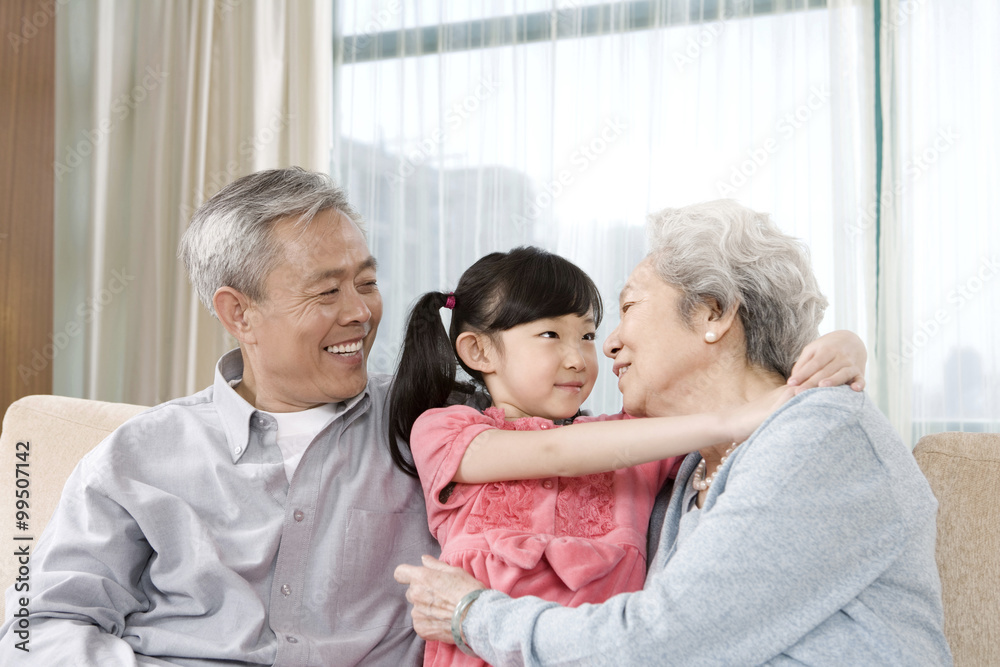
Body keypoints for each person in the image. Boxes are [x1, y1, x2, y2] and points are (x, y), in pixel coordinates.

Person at [394, 200, 952, 666]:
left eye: (627, 308)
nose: (606, 346)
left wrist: (472, 614)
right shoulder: (688, 464)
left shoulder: (818, 434)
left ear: (712, 311)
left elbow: (661, 642)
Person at [0, 168, 440, 665]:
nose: (361, 312)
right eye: (327, 292)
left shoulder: (432, 425)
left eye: (367, 282)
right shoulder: (137, 456)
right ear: (239, 314)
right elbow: (37, 628)